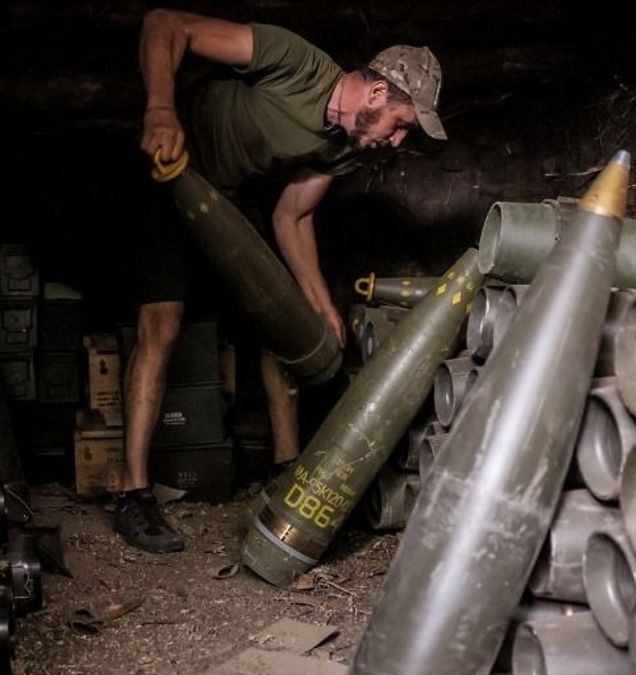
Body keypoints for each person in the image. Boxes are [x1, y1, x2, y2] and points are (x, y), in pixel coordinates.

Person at [115, 9, 447, 552]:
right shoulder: (295, 61)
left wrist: (318, 302)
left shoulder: (346, 150)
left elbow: (291, 216)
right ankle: (133, 495)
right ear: (378, 92)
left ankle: (286, 468)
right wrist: (159, 108)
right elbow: (164, 24)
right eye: (403, 123)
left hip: (231, 200)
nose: (398, 141)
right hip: (171, 174)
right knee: (163, 326)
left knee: (281, 329)